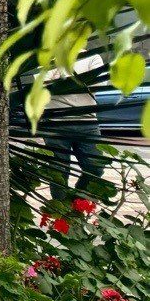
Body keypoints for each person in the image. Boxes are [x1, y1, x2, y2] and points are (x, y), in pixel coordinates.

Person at [39, 53, 107, 201]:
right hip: (55, 124)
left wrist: (61, 80)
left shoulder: (93, 57)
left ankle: (76, 203)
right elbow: (43, 86)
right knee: (59, 171)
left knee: (95, 168)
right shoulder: (49, 58)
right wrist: (81, 81)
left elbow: (98, 85)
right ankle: (61, 213)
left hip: (87, 123)